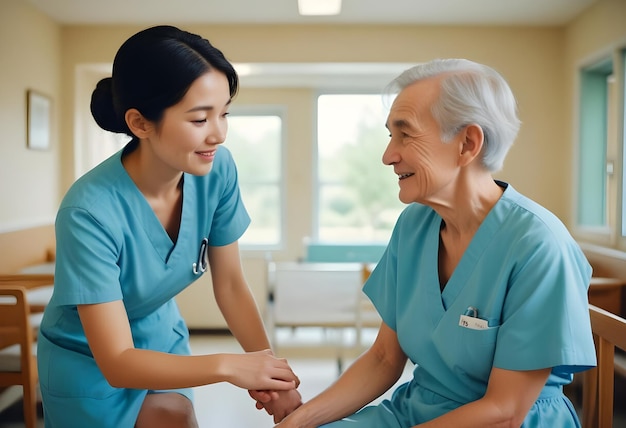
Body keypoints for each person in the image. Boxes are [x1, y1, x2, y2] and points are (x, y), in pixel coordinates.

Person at [274, 58, 597, 427]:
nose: (387, 155)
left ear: (467, 143)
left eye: (405, 134)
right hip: (415, 413)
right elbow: (383, 358)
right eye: (389, 135)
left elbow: (505, 412)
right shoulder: (414, 225)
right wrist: (299, 421)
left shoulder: (538, 245)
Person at [36, 25, 301, 428]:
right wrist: (230, 366)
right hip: (89, 357)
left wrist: (270, 376)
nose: (219, 133)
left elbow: (229, 285)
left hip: (160, 334)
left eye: (224, 112)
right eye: (199, 119)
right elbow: (119, 361)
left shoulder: (216, 170)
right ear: (140, 123)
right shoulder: (88, 211)